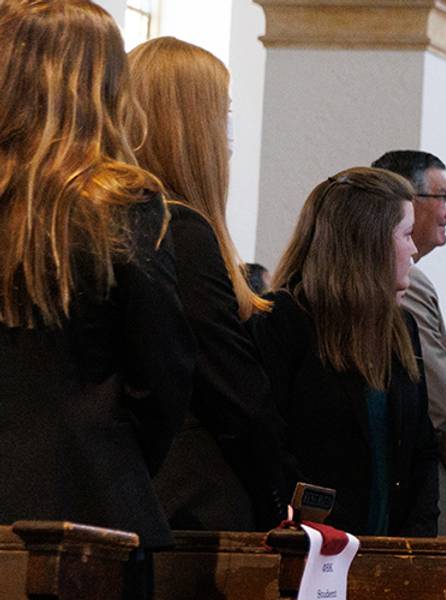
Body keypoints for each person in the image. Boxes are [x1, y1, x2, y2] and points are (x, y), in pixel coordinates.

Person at [0, 0, 195, 549]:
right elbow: (163, 374)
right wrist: (115, 454)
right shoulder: (123, 200)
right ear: (105, 84)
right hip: (90, 502)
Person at [126, 35, 284, 532]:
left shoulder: (130, 223)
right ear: (190, 127)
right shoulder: (181, 232)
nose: (229, 134)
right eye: (224, 114)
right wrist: (286, 497)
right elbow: (235, 393)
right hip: (193, 508)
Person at [254, 167, 440, 536]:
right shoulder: (282, 319)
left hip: (393, 556)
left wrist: (416, 547)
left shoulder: (402, 328)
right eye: (405, 234)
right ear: (368, 241)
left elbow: (422, 449)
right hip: (311, 551)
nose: (414, 250)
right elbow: (269, 447)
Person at [371, 148, 446, 535]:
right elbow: (444, 406)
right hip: (426, 491)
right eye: (443, 197)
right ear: (407, 201)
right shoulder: (407, 285)